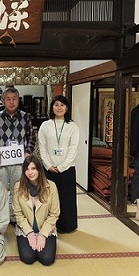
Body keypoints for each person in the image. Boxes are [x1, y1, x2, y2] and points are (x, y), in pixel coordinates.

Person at [0, 87, 36, 224]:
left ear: (18, 100)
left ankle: (16, 217)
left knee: (18, 189)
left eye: (14, 99)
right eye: (8, 99)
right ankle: (3, 217)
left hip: (19, 162)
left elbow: (31, 138)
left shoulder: (25, 117)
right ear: (3, 101)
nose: (11, 102)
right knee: (2, 191)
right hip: (1, 161)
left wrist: (27, 152)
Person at [38, 95, 79, 233]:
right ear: (52, 107)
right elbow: (42, 147)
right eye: (56, 105)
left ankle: (67, 226)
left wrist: (62, 167)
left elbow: (73, 149)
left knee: (66, 200)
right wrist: (48, 164)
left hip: (67, 169)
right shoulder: (45, 125)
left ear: (67, 108)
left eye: (62, 105)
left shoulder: (72, 127)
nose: (59, 108)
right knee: (48, 199)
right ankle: (48, 226)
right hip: (49, 168)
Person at [12, 155, 60, 265]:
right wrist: (30, 233)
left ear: (39, 170)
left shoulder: (51, 186)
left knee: (47, 259)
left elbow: (54, 214)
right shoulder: (18, 186)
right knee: (28, 258)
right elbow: (18, 213)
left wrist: (43, 235)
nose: (30, 172)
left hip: (45, 228)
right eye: (27, 169)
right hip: (26, 229)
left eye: (33, 168)